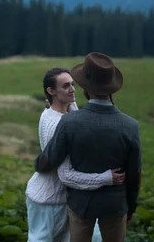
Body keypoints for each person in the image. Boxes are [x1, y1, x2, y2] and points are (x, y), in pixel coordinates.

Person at [34, 53, 142, 242]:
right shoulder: (130, 125)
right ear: (112, 87)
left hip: (81, 205)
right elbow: (134, 173)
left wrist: (38, 163)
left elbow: (49, 159)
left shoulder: (69, 122)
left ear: (85, 87)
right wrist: (130, 206)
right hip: (115, 205)